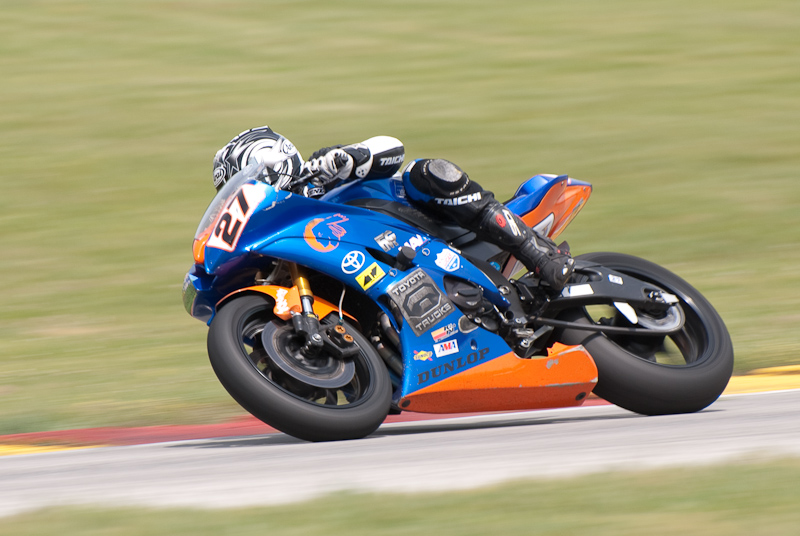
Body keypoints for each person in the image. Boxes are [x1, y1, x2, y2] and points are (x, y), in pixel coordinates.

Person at [212, 126, 574, 290]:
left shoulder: (321, 169)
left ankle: (537, 252)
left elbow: (392, 147)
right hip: (381, 269)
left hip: (426, 227)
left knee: (424, 171)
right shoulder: (280, 239)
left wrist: (352, 157)